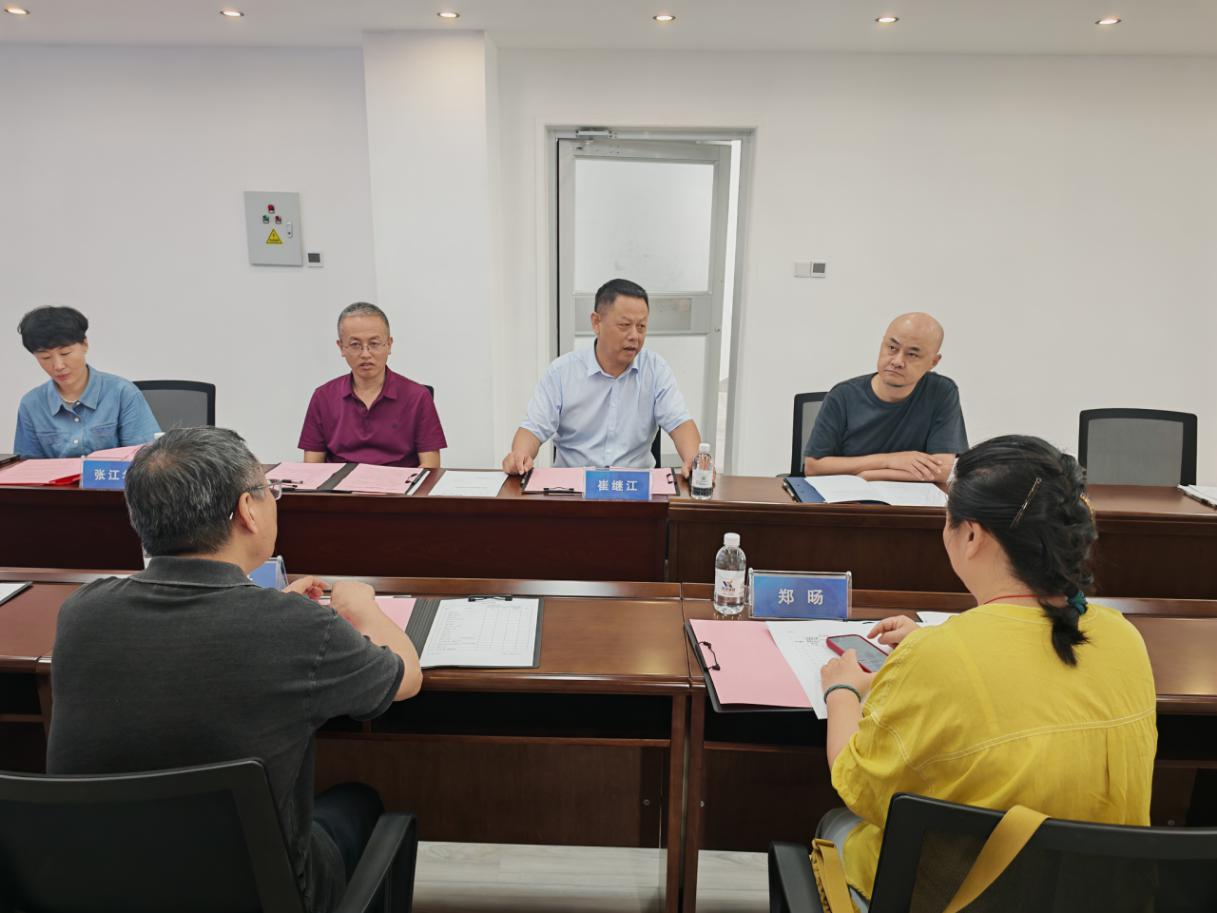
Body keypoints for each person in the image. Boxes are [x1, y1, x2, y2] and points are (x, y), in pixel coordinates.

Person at [46, 427, 423, 913]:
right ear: (248, 509)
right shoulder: (297, 628)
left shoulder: (82, 612)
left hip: (102, 888)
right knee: (358, 799)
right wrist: (364, 607)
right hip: (258, 893)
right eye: (270, 491)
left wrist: (270, 607)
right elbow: (406, 676)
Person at [817, 435, 1156, 907]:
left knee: (837, 824)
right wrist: (932, 647)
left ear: (972, 535)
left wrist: (841, 690)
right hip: (1091, 897)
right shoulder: (1124, 639)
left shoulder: (940, 655)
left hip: (956, 899)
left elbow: (858, 783)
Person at [502, 278, 702, 475]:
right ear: (596, 322)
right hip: (574, 486)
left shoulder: (655, 370)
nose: (634, 336)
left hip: (634, 486)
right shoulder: (562, 372)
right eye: (624, 325)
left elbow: (680, 423)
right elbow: (533, 429)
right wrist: (520, 456)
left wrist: (694, 462)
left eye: (641, 326)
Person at [803, 313, 966, 482]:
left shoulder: (941, 392)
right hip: (849, 495)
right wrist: (889, 461)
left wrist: (869, 475)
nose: (897, 361)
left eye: (912, 354)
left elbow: (941, 470)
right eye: (892, 348)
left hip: (907, 497)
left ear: (933, 362)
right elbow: (813, 467)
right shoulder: (842, 395)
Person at [299, 302, 446, 468]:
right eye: (355, 345)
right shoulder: (323, 396)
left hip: (397, 483)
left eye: (374, 343)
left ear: (389, 344)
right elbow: (311, 467)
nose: (365, 354)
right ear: (341, 347)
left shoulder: (417, 396)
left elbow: (430, 467)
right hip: (340, 484)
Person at [13, 305, 160, 458]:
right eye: (46, 357)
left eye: (65, 353)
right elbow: (26, 466)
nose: (58, 366)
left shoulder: (122, 393)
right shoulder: (31, 404)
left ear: (85, 344)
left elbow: (145, 460)